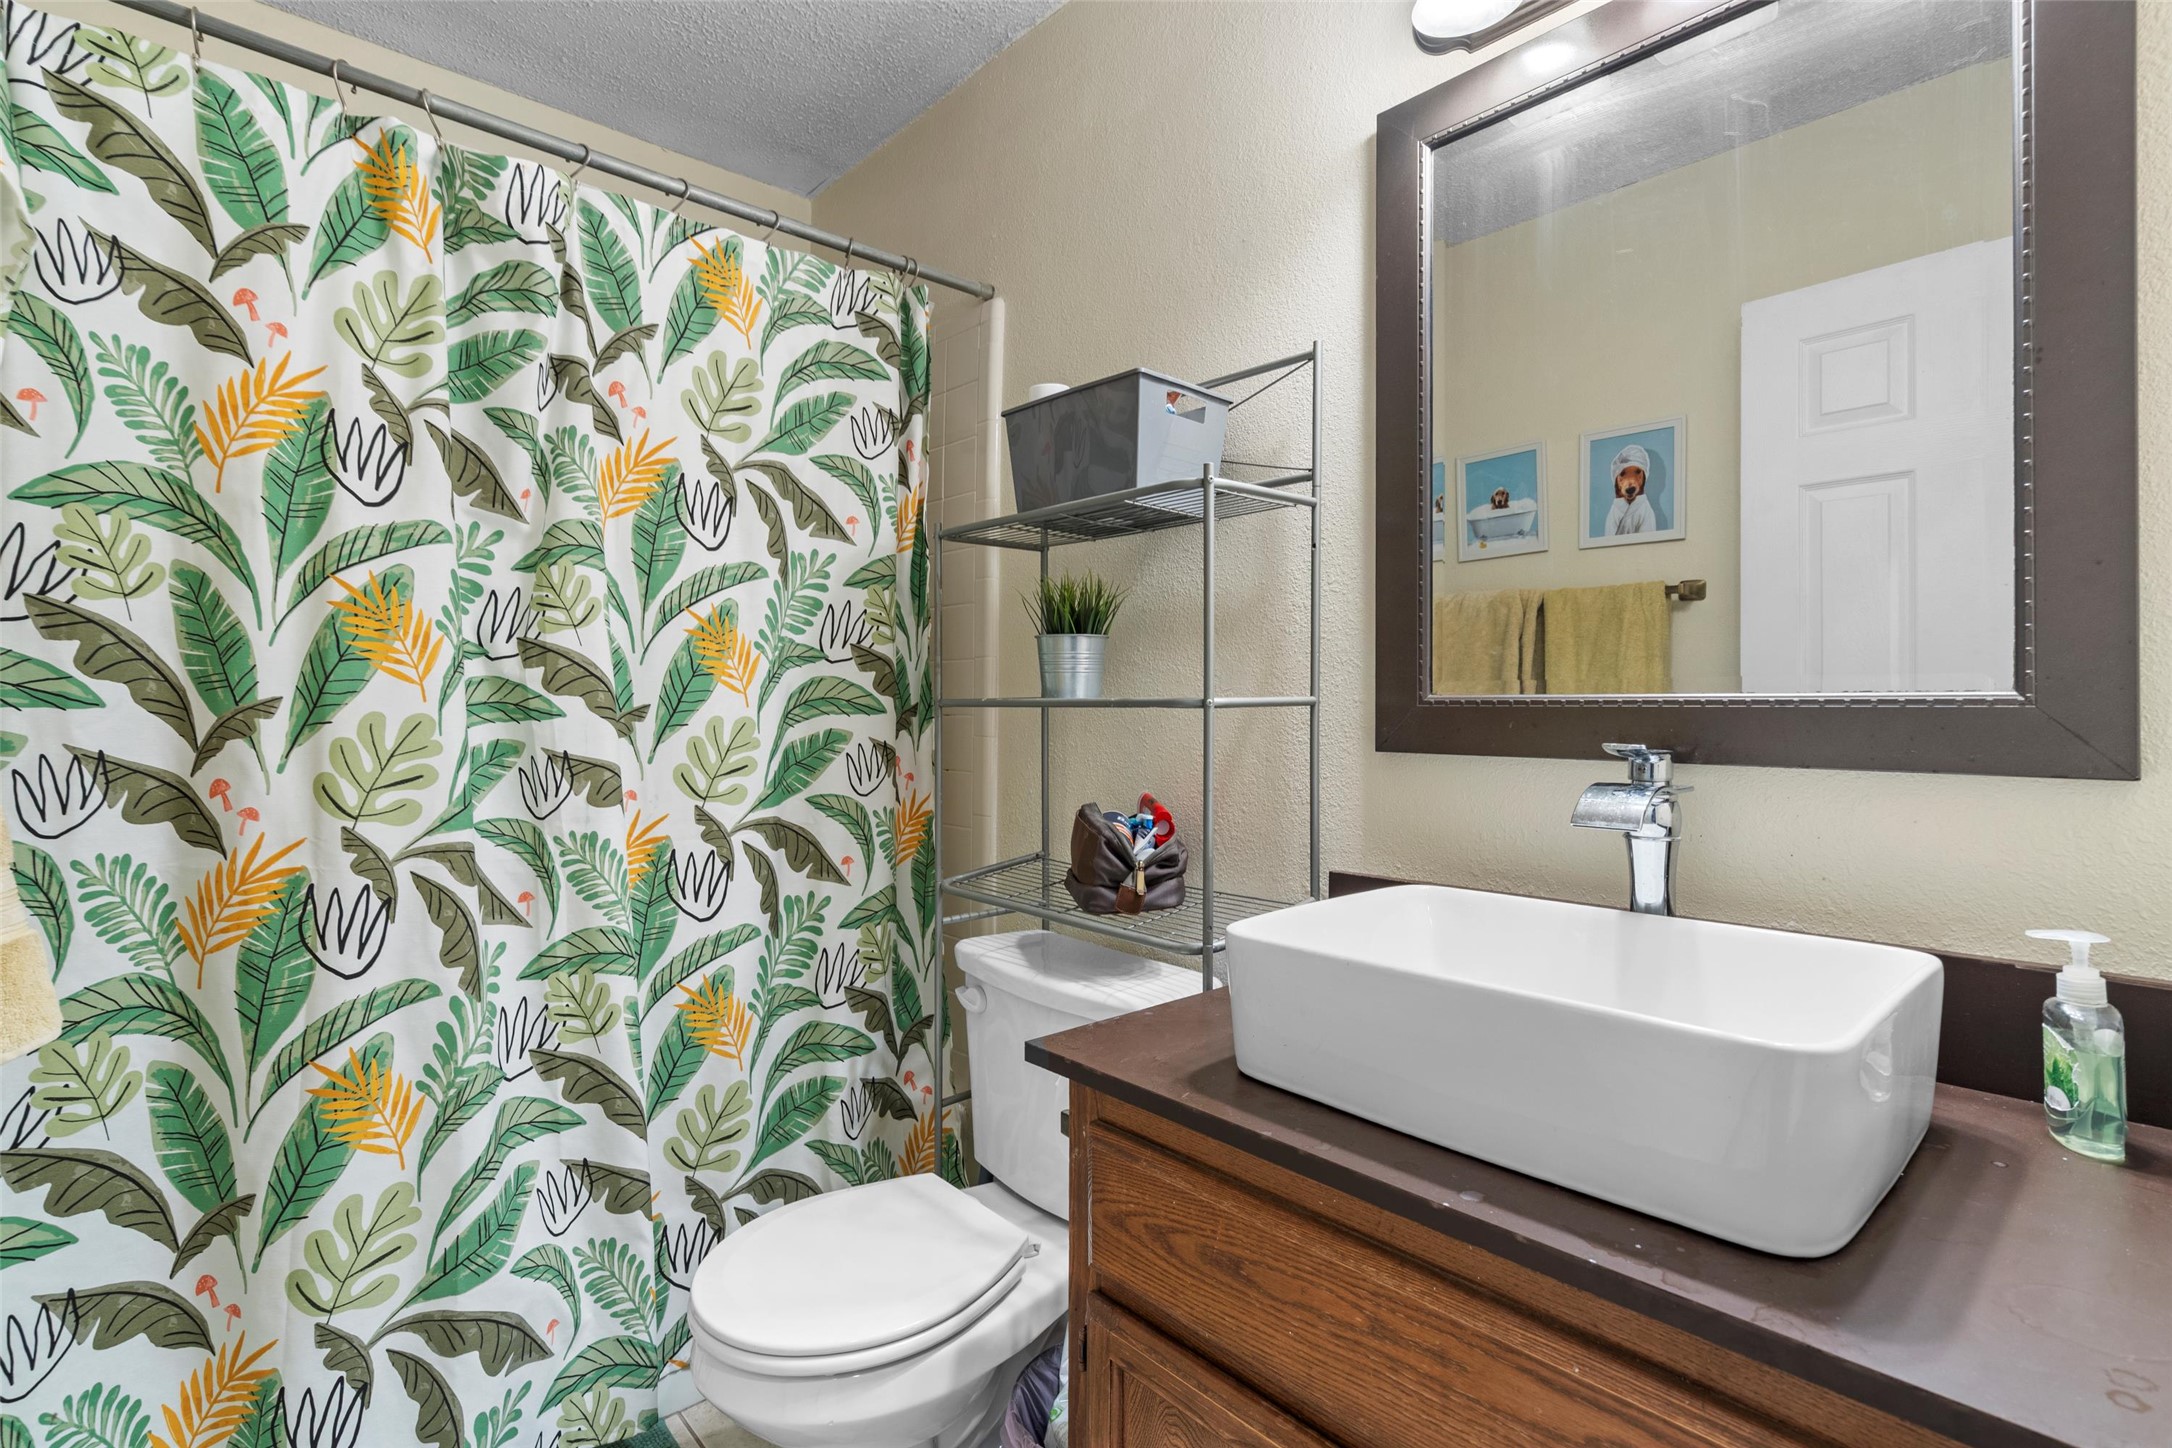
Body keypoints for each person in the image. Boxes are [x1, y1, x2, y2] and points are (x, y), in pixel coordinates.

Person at [1604, 444, 1658, 535]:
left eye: (1637, 472)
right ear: (1616, 479)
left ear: (1644, 476)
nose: (1630, 484)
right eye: (1622, 473)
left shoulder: (1645, 510)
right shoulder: (1614, 512)